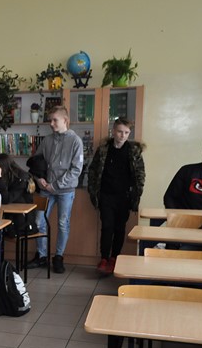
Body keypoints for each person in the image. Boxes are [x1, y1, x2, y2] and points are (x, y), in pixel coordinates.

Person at [27, 106, 84, 274]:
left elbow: (76, 170)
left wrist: (56, 185)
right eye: (50, 120)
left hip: (65, 190)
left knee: (62, 223)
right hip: (46, 189)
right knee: (39, 221)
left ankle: (58, 257)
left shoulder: (76, 141)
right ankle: (42, 256)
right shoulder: (47, 140)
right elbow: (36, 162)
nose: (51, 123)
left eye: (54, 120)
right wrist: (39, 179)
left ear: (65, 120)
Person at [87, 118, 146, 275]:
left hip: (124, 197)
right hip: (106, 195)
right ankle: (104, 258)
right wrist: (93, 191)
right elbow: (93, 170)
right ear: (113, 131)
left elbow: (140, 174)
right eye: (120, 131)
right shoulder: (103, 150)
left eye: (126, 132)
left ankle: (114, 257)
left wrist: (136, 194)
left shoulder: (133, 151)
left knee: (120, 228)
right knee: (107, 227)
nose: (123, 135)